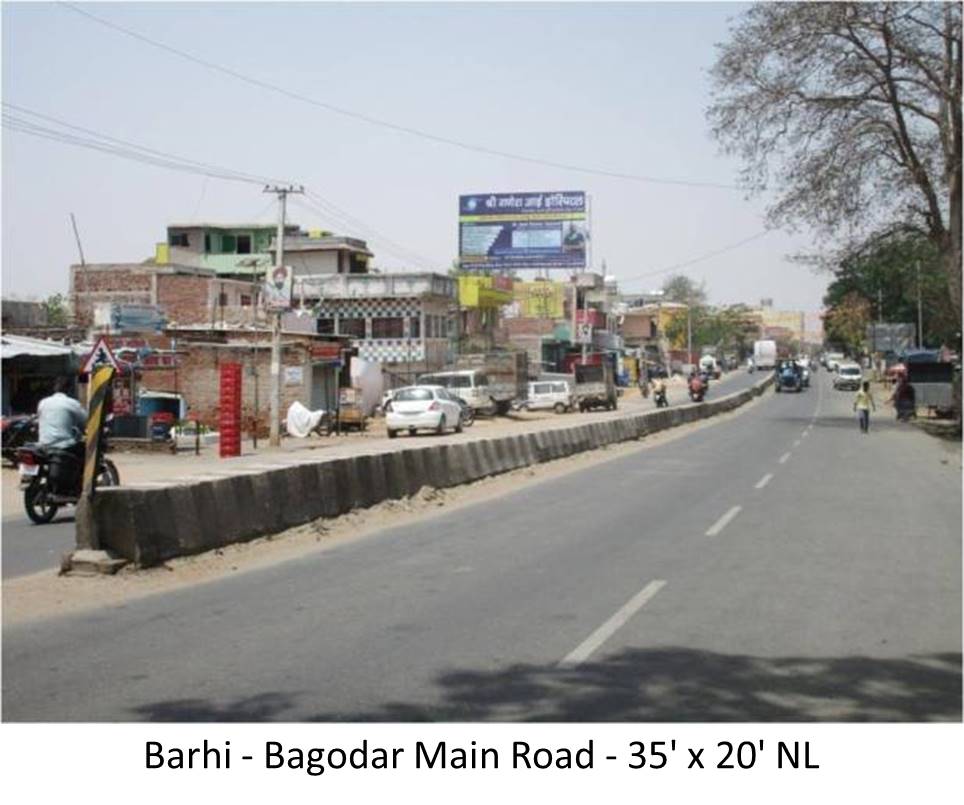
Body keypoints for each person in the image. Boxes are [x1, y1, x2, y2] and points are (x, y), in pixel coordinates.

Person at [37, 377, 88, 451]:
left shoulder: (43, 402)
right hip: (65, 446)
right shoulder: (72, 403)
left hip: (44, 445)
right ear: (70, 389)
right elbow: (86, 421)